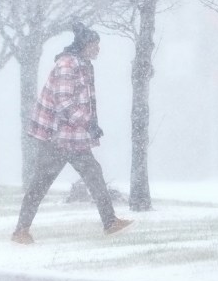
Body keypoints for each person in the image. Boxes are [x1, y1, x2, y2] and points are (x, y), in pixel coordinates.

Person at [12, 23, 133, 244]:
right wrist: (88, 123)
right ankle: (21, 231)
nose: (98, 49)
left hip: (73, 137)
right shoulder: (67, 65)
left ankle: (110, 222)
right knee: (40, 183)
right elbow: (64, 103)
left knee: (94, 175)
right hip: (56, 138)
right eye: (96, 45)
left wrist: (90, 124)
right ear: (85, 45)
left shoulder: (84, 64)